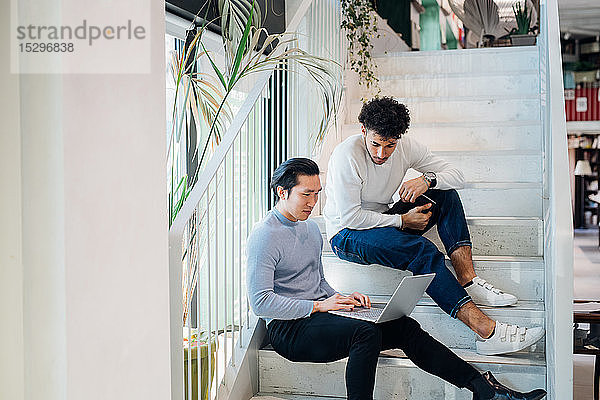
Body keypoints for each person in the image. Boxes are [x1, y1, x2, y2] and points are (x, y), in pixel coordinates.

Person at [246, 158, 547, 400]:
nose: (313, 202)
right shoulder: (265, 235)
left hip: (318, 317)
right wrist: (320, 307)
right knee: (365, 335)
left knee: (404, 327)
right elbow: (261, 303)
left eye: (317, 193)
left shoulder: (310, 228)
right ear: (282, 192)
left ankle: (482, 389)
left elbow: (316, 282)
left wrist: (341, 297)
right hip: (289, 331)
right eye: (306, 194)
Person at [322, 97, 544, 356]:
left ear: (399, 138)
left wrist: (428, 180)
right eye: (375, 144)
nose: (381, 153)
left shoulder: (406, 148)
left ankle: (468, 279)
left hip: (382, 220)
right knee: (422, 251)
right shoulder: (346, 155)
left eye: (390, 145)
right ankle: (488, 331)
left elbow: (457, 176)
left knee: (446, 194)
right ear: (363, 131)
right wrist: (402, 220)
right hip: (348, 236)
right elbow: (351, 218)